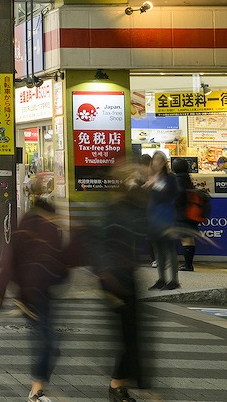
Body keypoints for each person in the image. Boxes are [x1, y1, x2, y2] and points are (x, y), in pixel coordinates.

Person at [0, 176, 72, 402]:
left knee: (51, 344)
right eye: (46, 191)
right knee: (46, 341)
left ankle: (37, 387)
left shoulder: (51, 222)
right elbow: (10, 258)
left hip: (45, 291)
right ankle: (36, 391)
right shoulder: (30, 221)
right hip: (30, 295)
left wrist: (63, 272)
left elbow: (57, 255)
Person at [92, 162, 149, 402]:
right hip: (115, 280)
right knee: (128, 337)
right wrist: (106, 276)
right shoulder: (114, 209)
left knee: (132, 336)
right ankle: (117, 386)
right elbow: (101, 246)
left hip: (127, 277)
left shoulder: (128, 205)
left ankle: (120, 385)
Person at [144, 152, 179, 290]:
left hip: (167, 217)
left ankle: (174, 280)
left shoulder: (170, 178)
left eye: (159, 160)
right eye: (154, 160)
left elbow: (173, 194)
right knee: (158, 249)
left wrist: (155, 185)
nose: (156, 163)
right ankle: (161, 278)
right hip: (153, 217)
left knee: (169, 249)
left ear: (164, 162)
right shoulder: (151, 177)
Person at [172, 158, 200, 272]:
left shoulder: (178, 180)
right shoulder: (187, 178)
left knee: (185, 239)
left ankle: (188, 265)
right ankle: (189, 264)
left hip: (182, 214)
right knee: (190, 239)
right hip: (191, 213)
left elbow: (178, 196)